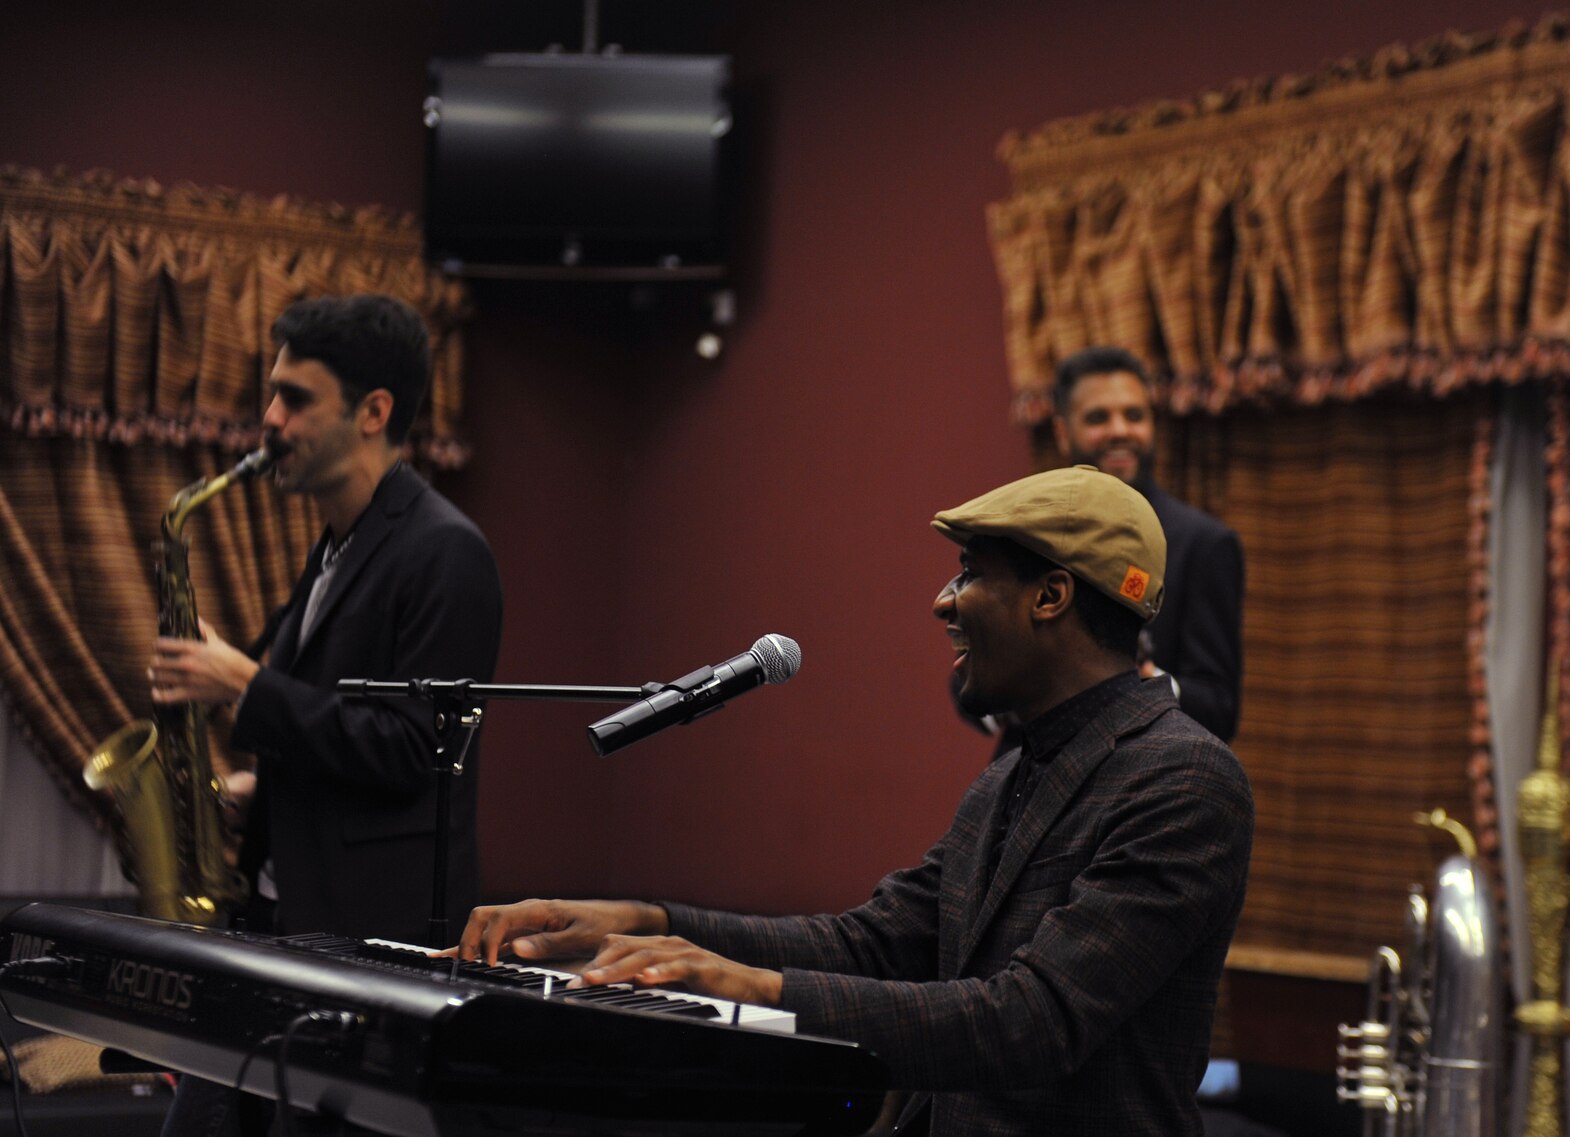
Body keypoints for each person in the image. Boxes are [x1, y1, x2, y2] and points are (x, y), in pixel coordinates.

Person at [453, 466, 1255, 1137]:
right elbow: (871, 943)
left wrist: (753, 987)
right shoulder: (1010, 774)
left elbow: (1031, 1021)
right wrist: (647, 923)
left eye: (970, 571)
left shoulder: (1182, 781)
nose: (944, 602)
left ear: (1051, 597)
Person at [148, 292, 504, 946]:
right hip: (296, 912)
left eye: (295, 399)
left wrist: (245, 685)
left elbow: (416, 750)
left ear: (373, 412)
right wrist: (266, 788)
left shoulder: (448, 550)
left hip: (378, 934)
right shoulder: (337, 543)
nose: (270, 419)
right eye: (272, 395)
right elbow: (336, 719)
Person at [1049, 347, 1244, 742]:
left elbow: (1219, 709)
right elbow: (970, 688)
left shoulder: (1204, 544)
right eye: (1098, 417)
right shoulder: (1033, 534)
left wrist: (1140, 680)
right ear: (1062, 432)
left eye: (1134, 415)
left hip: (1145, 785)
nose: (1120, 430)